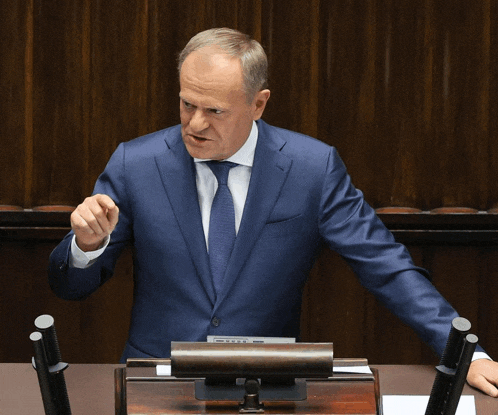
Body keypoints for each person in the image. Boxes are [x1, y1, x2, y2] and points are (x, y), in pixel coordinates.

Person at [48, 28, 498, 397]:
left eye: (214, 110)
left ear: (258, 103)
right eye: (187, 104)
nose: (195, 123)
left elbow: (386, 265)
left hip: (265, 385)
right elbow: (70, 285)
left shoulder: (311, 168)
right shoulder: (136, 163)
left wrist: (465, 353)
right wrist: (87, 246)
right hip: (156, 383)